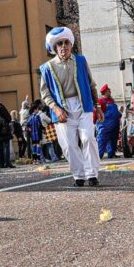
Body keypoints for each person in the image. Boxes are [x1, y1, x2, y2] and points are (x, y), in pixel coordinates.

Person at [39, 27, 102, 187]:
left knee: (88, 137)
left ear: (71, 45)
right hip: (63, 109)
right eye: (59, 43)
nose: (63, 46)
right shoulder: (47, 68)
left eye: (66, 42)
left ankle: (92, 174)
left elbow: (91, 84)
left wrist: (97, 106)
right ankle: (79, 175)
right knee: (68, 144)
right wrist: (56, 108)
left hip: (83, 106)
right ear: (54, 48)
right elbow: (45, 93)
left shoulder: (81, 61)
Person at [97, 88, 122, 159]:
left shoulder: (112, 100)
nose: (110, 92)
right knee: (102, 140)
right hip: (105, 124)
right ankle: (99, 155)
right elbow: (97, 111)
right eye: (108, 91)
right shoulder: (100, 101)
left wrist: (118, 114)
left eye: (110, 91)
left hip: (114, 124)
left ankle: (111, 154)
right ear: (104, 92)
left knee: (113, 139)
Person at [0, 94, 16, 168]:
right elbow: (8, 117)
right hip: (4, 129)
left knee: (0, 147)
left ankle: (1, 163)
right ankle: (7, 162)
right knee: (6, 146)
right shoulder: (1, 106)